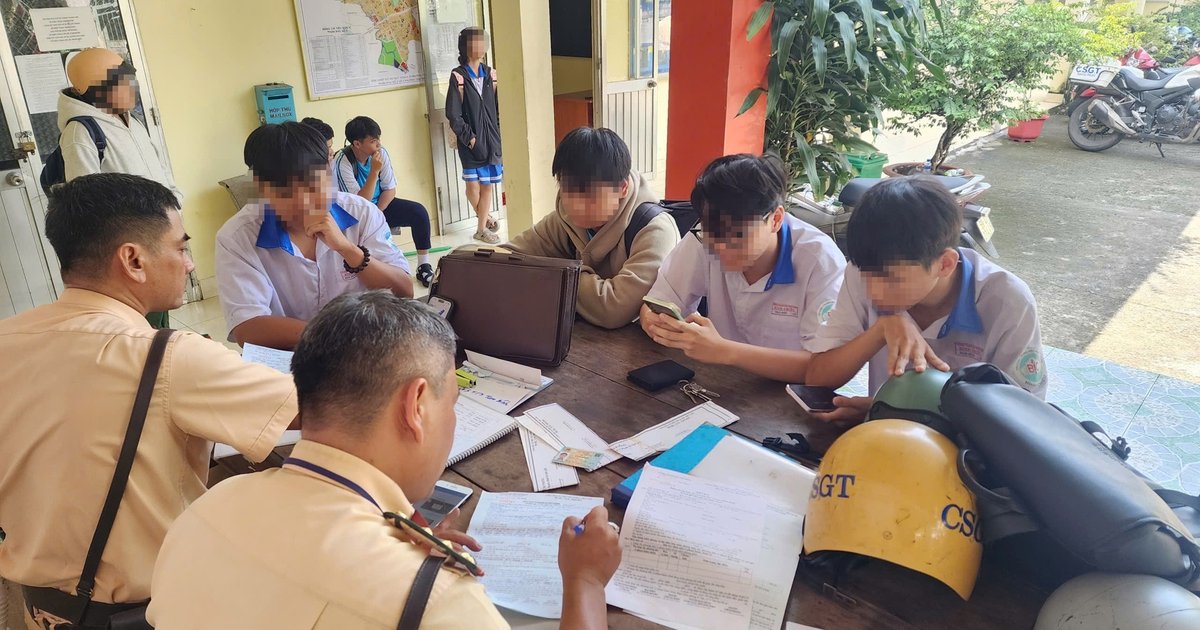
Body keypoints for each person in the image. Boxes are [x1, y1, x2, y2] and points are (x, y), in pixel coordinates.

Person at [147, 292, 622, 629]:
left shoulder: (206, 508)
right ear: (415, 407)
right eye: (452, 403)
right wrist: (585, 582)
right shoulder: (434, 603)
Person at [0, 174, 297, 630]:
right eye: (180, 248)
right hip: (151, 612)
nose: (190, 265)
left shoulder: (8, 338)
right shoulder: (165, 355)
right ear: (133, 259)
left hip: (41, 610)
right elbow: (314, 407)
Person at [805, 176, 1047, 422]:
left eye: (892, 279)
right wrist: (879, 331)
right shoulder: (862, 271)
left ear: (945, 264)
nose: (875, 292)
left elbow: (1025, 419)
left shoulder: (1009, 301)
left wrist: (902, 411)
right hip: (887, 434)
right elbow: (817, 378)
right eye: (868, 276)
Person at [640, 154, 844, 382]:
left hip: (789, 391)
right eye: (712, 234)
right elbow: (656, 304)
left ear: (775, 219)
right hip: (722, 382)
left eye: (737, 235)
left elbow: (827, 367)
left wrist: (724, 351)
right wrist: (656, 323)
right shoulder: (703, 239)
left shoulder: (820, 261)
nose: (721, 247)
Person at [216, 122, 414, 351]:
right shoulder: (238, 237)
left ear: (329, 171)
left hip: (369, 353)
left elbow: (403, 292)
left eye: (314, 187)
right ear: (261, 188)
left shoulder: (361, 213)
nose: (305, 203)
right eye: (286, 194)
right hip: (295, 358)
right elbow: (248, 327)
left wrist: (349, 251)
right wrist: (339, 337)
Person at [57, 47, 183, 329]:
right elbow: (85, 198)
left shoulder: (132, 121)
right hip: (130, 243)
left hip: (160, 229)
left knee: (160, 304)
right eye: (120, 82)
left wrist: (175, 208)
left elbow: (161, 171)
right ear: (93, 91)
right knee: (138, 316)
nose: (130, 88)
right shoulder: (81, 131)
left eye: (130, 80)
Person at [505, 127, 680, 329]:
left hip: (642, 345)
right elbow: (504, 256)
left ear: (622, 188)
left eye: (590, 195)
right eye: (567, 190)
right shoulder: (564, 220)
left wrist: (554, 273)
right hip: (582, 342)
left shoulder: (654, 230)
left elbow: (613, 309)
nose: (575, 205)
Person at [333, 116, 435, 287]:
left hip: (380, 206)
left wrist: (378, 212)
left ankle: (423, 266)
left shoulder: (382, 153)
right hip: (356, 213)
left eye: (378, 139)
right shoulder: (342, 161)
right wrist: (374, 172)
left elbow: (390, 189)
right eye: (373, 141)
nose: (378, 144)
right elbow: (359, 202)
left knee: (418, 213)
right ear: (357, 144)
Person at [446, 27, 503, 244]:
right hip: (470, 142)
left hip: (492, 141)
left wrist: (497, 134)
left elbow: (499, 109)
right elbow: (454, 114)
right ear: (466, 47)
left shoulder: (491, 74)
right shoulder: (458, 76)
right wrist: (470, 139)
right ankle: (485, 218)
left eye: (482, 42)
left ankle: (481, 229)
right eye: (475, 42)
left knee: (487, 185)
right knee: (472, 186)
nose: (480, 46)